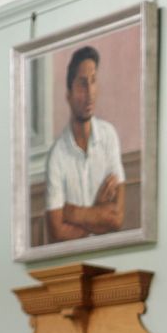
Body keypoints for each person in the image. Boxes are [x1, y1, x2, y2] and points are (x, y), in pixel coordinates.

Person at [43, 45, 126, 243]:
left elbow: (117, 218)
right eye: (82, 84)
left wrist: (71, 213)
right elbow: (57, 232)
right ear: (68, 94)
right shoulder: (57, 156)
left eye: (93, 81)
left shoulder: (109, 136)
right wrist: (98, 211)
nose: (90, 93)